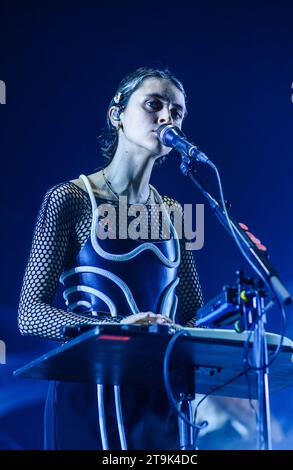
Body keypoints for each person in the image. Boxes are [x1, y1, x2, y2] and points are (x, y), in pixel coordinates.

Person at [18, 67, 204, 450]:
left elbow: (192, 310)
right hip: (89, 392)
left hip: (160, 401)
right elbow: (30, 314)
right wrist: (118, 326)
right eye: (154, 105)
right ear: (116, 115)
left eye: (177, 111)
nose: (167, 117)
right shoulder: (68, 199)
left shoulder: (174, 214)